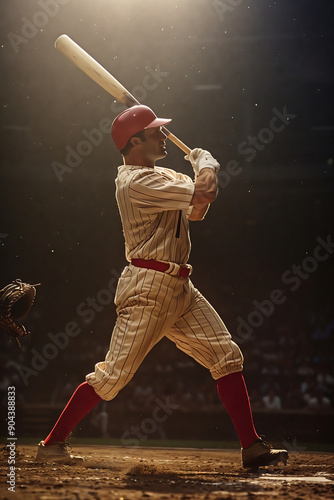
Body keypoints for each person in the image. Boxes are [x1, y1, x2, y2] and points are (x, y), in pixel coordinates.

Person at [36, 105, 288, 469]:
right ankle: (52, 443)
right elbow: (205, 193)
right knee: (112, 377)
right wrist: (207, 164)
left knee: (227, 357)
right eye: (155, 131)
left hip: (180, 284)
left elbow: (197, 209)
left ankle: (252, 447)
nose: (164, 135)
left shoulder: (161, 174)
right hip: (148, 287)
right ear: (134, 141)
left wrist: (202, 175)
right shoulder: (136, 182)